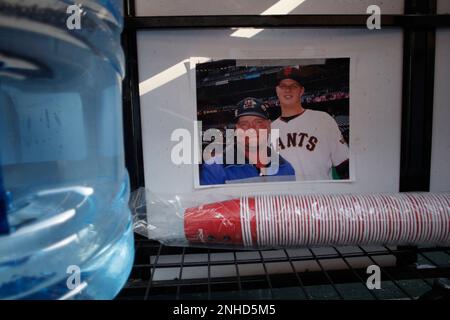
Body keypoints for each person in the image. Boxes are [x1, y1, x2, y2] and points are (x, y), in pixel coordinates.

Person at [271, 66, 349, 181]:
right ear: (277, 90)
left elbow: (344, 166)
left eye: (294, 86)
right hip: (286, 197)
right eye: (283, 86)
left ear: (301, 91)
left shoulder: (323, 119)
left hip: (320, 196)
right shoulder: (270, 128)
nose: (288, 90)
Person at [200, 97, 295, 185]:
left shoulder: (285, 167)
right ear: (237, 129)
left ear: (269, 126)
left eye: (258, 123)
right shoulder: (215, 168)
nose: (251, 129)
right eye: (244, 124)